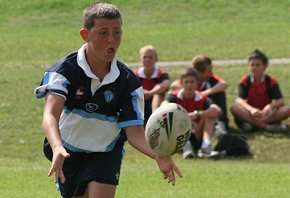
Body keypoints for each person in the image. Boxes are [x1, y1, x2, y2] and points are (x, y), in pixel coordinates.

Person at [34, 3, 181, 198]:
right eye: (103, 33)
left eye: (117, 32)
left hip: (106, 151)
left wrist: (158, 155)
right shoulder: (64, 71)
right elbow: (50, 115)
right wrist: (57, 146)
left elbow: (134, 131)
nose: (112, 40)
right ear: (85, 35)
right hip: (69, 151)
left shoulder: (128, 82)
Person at [163, 67, 221, 159]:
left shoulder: (201, 97)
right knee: (170, 113)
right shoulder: (173, 96)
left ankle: (206, 147)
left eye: (192, 82)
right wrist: (185, 118)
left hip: (198, 132)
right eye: (186, 82)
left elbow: (216, 110)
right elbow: (163, 107)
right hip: (179, 133)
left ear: (197, 83)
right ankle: (186, 147)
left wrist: (197, 114)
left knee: (211, 115)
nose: (189, 85)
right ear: (181, 83)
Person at [230, 49, 290, 132]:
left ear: (265, 66)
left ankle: (253, 124)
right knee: (234, 108)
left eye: (257, 65)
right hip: (250, 113)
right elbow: (239, 100)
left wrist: (270, 107)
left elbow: (280, 100)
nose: (254, 68)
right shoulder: (245, 81)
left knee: (288, 110)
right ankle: (267, 127)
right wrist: (251, 109)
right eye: (252, 65)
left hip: (265, 114)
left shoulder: (270, 81)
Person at [171, 55, 228, 135]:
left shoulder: (210, 79)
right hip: (190, 111)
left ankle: (220, 123)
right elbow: (174, 84)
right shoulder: (190, 79)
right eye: (208, 71)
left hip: (203, 110)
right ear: (199, 72)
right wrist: (188, 90)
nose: (211, 73)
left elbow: (223, 84)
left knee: (219, 92)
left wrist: (203, 94)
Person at [134, 45, 170, 126]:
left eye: (150, 57)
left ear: (156, 59)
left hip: (156, 104)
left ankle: (155, 119)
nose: (147, 60)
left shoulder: (160, 73)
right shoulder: (135, 74)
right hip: (141, 103)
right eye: (144, 57)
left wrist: (150, 93)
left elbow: (166, 85)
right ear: (140, 59)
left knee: (158, 94)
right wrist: (142, 92)